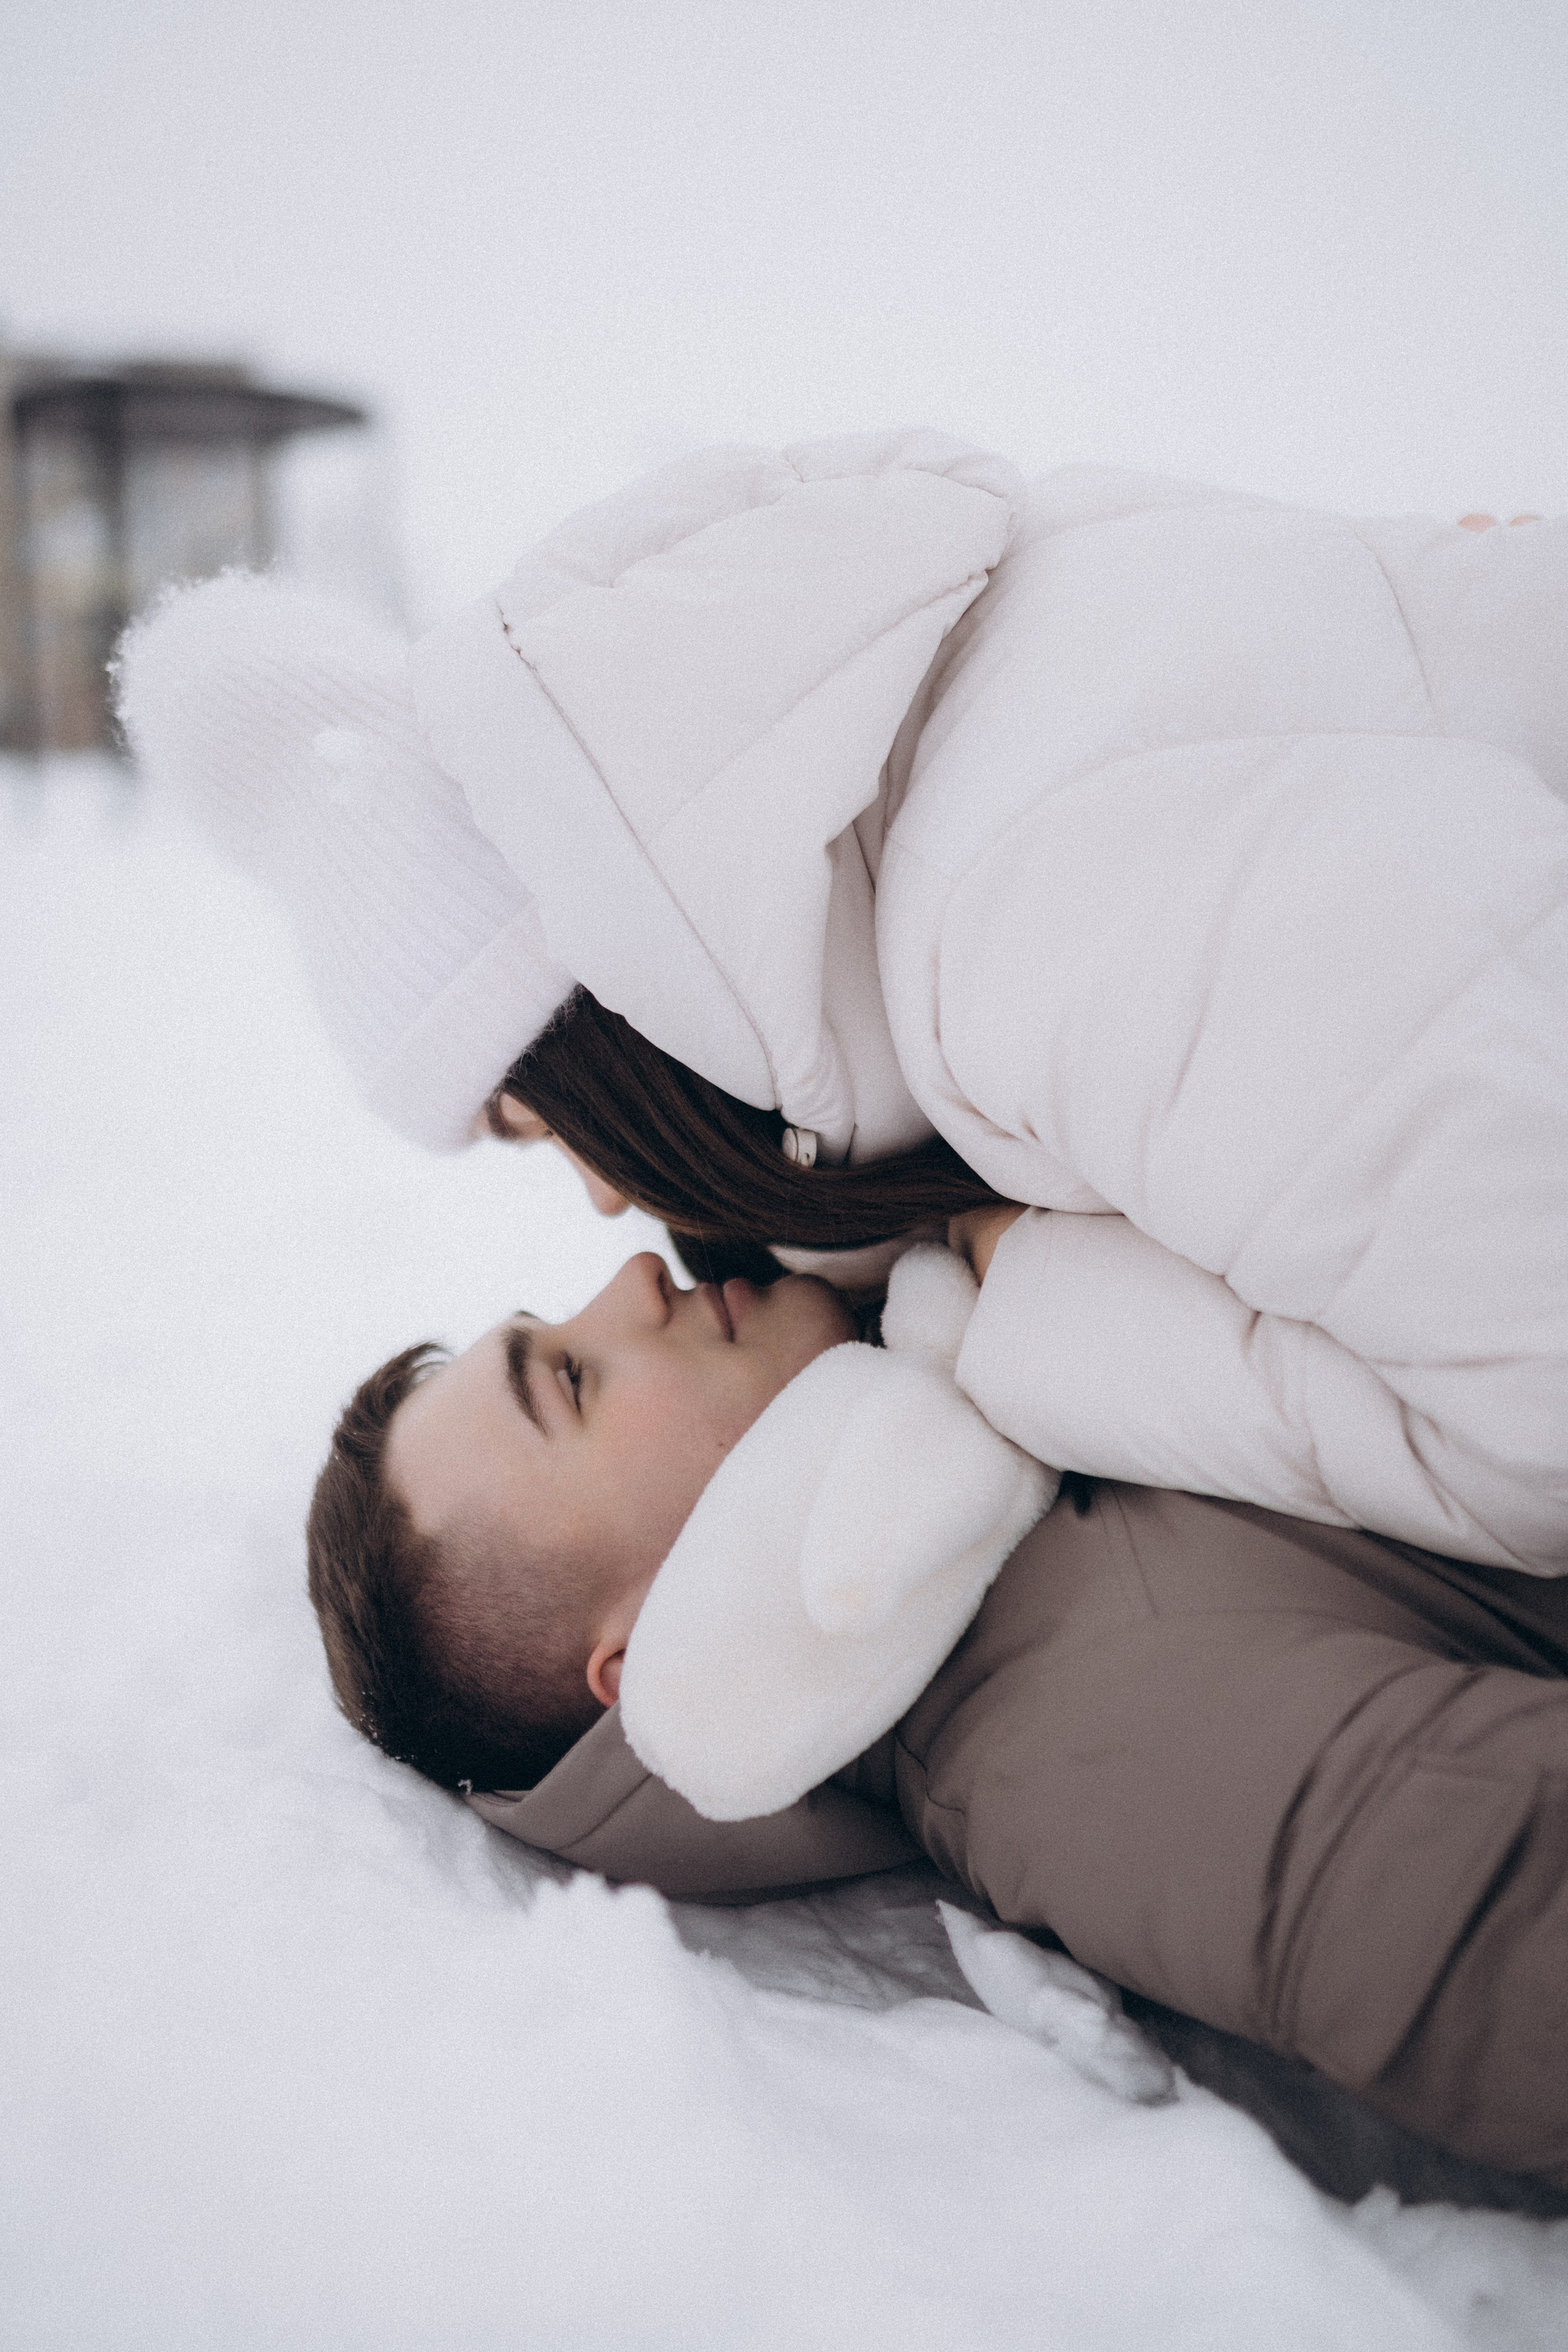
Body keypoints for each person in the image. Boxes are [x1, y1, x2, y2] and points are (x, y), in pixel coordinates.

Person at [116, 433, 1568, 1572]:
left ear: (592, 1017)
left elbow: (1541, 1426)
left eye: (530, 1126)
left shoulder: (1004, 926)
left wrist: (1024, 1313)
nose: (612, 1219)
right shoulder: (948, 719)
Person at [306, 1239, 1568, 2198]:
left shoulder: (963, 1393)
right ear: (638, 1665)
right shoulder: (1080, 1753)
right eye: (572, 1380)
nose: (634, 1274)